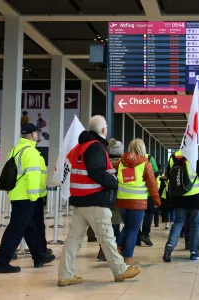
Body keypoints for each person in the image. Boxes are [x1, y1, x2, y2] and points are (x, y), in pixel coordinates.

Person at [58, 115, 140, 286]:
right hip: (94, 200)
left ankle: (65, 274)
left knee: (74, 239)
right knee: (107, 238)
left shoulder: (79, 147)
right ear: (104, 130)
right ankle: (120, 270)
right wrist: (114, 182)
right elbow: (96, 172)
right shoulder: (95, 147)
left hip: (80, 201)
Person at [0, 123, 55, 273]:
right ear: (32, 134)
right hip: (27, 197)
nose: (38, 135)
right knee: (16, 229)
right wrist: (35, 197)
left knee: (28, 227)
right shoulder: (31, 152)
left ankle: (39, 256)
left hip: (17, 194)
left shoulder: (16, 149)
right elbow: (32, 176)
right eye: (37, 133)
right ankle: (1, 262)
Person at [115, 139, 161, 265]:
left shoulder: (120, 162)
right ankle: (128, 258)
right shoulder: (145, 164)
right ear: (142, 149)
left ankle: (118, 249)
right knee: (133, 229)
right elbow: (152, 185)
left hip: (122, 201)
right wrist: (157, 201)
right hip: (137, 202)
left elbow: (111, 174)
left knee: (128, 226)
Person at [163, 145, 199, 262]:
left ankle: (168, 249)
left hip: (179, 195)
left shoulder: (174, 156)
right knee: (196, 224)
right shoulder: (197, 155)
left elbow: (168, 174)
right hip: (196, 196)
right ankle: (194, 252)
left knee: (178, 222)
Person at [96, 138, 124, 261]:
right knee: (115, 225)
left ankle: (104, 250)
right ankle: (110, 251)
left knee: (107, 225)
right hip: (117, 197)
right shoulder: (121, 164)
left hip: (103, 197)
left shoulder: (103, 162)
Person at [137, 153, 159, 246]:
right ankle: (145, 234)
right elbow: (156, 173)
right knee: (149, 213)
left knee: (136, 215)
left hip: (134, 192)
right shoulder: (149, 157)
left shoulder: (129, 157)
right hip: (147, 192)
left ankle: (137, 237)